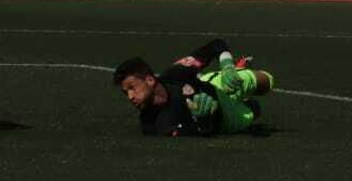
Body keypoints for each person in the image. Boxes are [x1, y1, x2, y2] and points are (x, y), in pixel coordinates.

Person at [112, 39, 275, 137]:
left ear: (149, 80)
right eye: (126, 93)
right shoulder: (153, 124)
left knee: (266, 81)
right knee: (254, 109)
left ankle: (237, 70)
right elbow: (202, 133)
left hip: (213, 86)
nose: (130, 96)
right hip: (224, 117)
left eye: (132, 88)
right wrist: (204, 119)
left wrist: (227, 66)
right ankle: (247, 103)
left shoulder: (175, 73)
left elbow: (217, 44)